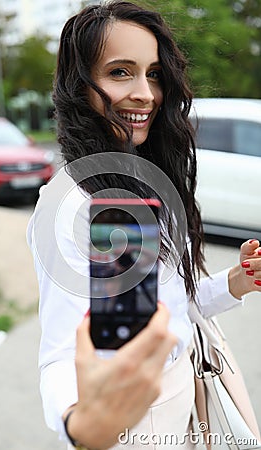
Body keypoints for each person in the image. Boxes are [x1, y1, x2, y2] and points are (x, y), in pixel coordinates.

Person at [27, 1, 261, 448]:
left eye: (153, 73)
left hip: (189, 400)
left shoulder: (142, 180)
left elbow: (171, 308)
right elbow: (59, 352)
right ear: (80, 87)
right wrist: (80, 424)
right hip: (135, 426)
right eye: (120, 72)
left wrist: (235, 282)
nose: (147, 93)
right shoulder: (74, 202)